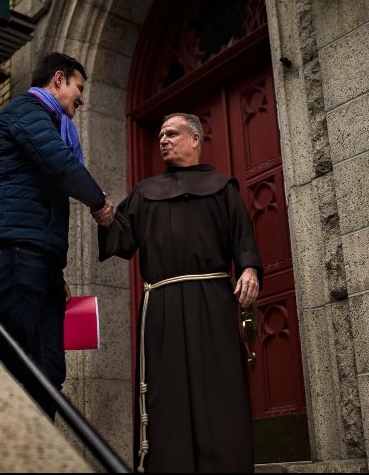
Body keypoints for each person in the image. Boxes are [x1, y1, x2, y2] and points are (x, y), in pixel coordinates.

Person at [98, 113, 261, 472]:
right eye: (160, 136)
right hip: (163, 304)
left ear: (195, 140)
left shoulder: (223, 187)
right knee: (165, 394)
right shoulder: (145, 192)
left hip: (213, 303)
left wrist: (249, 269)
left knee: (219, 390)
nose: (163, 140)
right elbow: (122, 239)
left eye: (172, 134)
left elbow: (243, 239)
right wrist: (106, 214)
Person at [0, 52, 114, 419]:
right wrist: (99, 203)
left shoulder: (51, 122)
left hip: (41, 262)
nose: (82, 98)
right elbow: (60, 165)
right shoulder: (26, 113)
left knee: (50, 368)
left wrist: (57, 271)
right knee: (12, 359)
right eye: (79, 88)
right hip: (15, 253)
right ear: (58, 79)